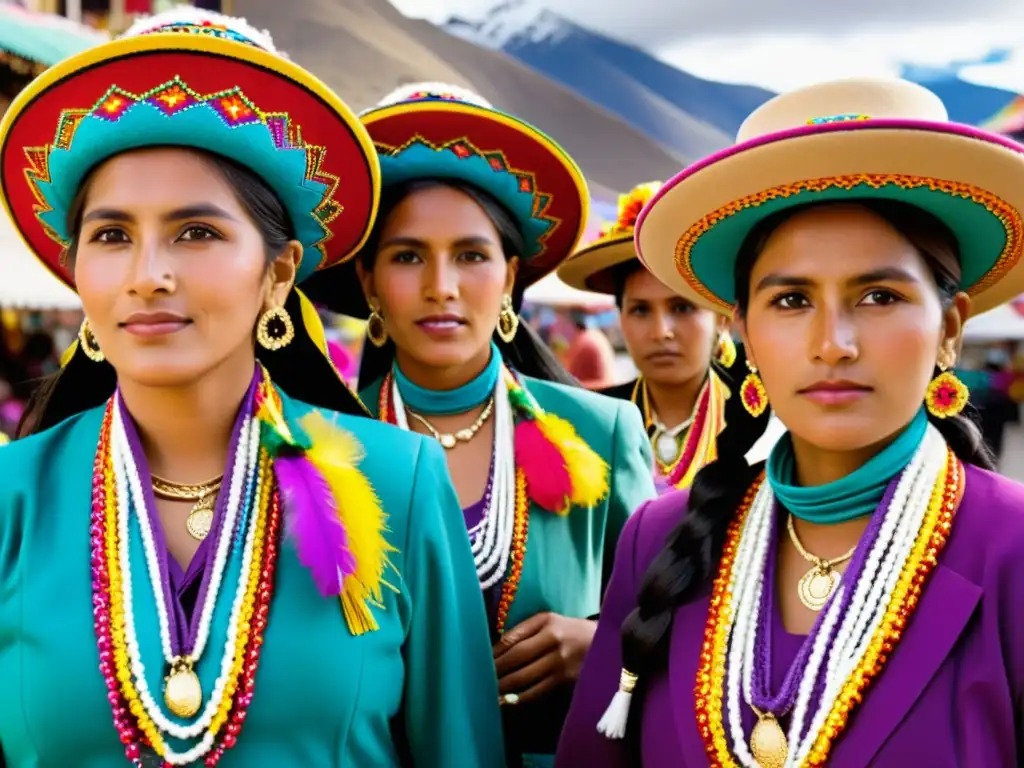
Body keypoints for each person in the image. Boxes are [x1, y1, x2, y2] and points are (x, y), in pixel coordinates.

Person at [0, 12, 504, 768]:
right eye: (111, 236)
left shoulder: (399, 482)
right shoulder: (13, 498)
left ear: (277, 274)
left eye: (196, 232)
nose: (147, 274)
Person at [556, 78, 1024, 766]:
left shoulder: (1010, 551)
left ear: (950, 328)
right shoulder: (655, 541)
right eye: (791, 300)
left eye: (878, 294)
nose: (833, 341)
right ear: (740, 329)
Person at [303, 82, 657, 767]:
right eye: (408, 257)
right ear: (370, 283)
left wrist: (600, 644)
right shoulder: (320, 445)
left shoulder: (604, 436)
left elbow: (678, 625)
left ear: (509, 276)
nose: (442, 285)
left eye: (471, 255)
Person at [559, 181, 769, 494]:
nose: (661, 332)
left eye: (682, 307)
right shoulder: (589, 424)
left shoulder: (765, 422)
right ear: (621, 319)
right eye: (641, 310)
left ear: (722, 318)